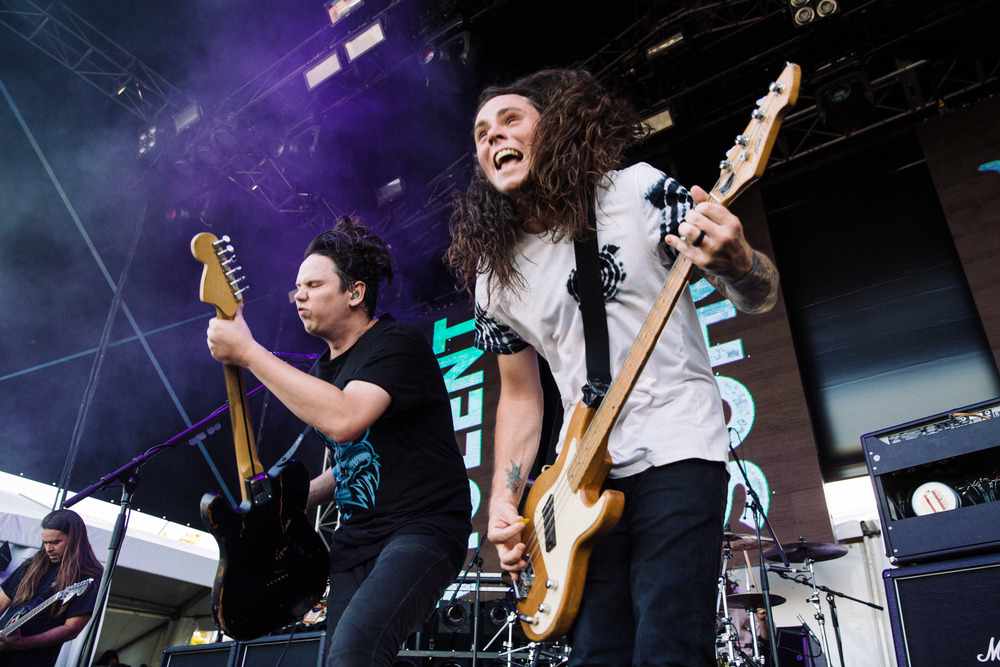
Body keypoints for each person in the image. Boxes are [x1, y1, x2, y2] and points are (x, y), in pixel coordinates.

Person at [447, 68, 780, 665]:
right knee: (595, 653)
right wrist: (503, 499)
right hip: (579, 480)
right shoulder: (493, 277)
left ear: (552, 129)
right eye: (480, 134)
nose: (493, 136)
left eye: (511, 119)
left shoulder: (635, 192)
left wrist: (738, 262)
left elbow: (760, 294)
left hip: (678, 443)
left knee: (669, 646)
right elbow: (522, 397)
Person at [206, 216, 472, 666]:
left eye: (312, 284)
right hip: (355, 542)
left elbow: (346, 421)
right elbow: (357, 458)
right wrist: (291, 503)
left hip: (421, 528)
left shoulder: (396, 342)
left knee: (355, 652)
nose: (299, 296)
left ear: (355, 292)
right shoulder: (325, 369)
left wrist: (249, 352)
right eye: (296, 287)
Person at [0, 509, 104, 667]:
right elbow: (2, 602)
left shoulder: (89, 576)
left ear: (74, 539)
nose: (48, 548)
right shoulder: (33, 564)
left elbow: (72, 629)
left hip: (32, 661)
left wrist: (22, 643)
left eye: (55, 542)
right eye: (46, 542)